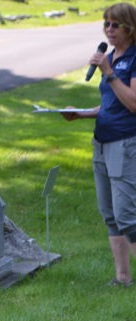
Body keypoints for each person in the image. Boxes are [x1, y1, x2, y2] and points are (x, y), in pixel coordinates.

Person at [61, 2, 136, 287]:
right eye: (106, 24)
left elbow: (132, 103)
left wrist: (110, 73)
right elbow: (110, 104)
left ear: (130, 27)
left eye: (115, 25)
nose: (109, 30)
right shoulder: (112, 56)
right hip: (102, 142)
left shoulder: (133, 59)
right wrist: (81, 113)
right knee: (110, 214)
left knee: (127, 215)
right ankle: (122, 278)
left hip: (125, 143)